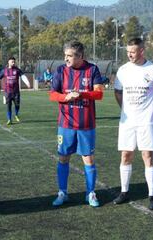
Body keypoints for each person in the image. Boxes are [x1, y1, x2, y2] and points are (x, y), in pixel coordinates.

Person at [113, 37, 153, 210]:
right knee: (126, 156)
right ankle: (124, 192)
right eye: (128, 51)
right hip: (127, 122)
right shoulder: (123, 70)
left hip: (147, 122)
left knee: (148, 157)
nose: (129, 54)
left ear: (141, 51)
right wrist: (125, 110)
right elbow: (117, 91)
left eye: (132, 51)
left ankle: (152, 196)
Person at [49, 40, 104, 207]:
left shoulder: (92, 69)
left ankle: (90, 193)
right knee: (63, 158)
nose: (66, 59)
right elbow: (52, 94)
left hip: (86, 124)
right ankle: (62, 192)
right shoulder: (60, 70)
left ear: (80, 56)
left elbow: (99, 93)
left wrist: (81, 95)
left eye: (70, 56)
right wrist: (65, 97)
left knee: (88, 159)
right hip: (65, 124)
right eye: (65, 55)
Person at [0, 57, 30, 125]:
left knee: (17, 105)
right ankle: (9, 119)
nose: (13, 63)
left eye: (14, 62)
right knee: (8, 106)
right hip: (8, 92)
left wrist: (27, 82)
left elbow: (23, 76)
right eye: (12, 61)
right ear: (8, 62)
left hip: (16, 92)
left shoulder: (17, 70)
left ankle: (16, 114)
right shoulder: (4, 70)